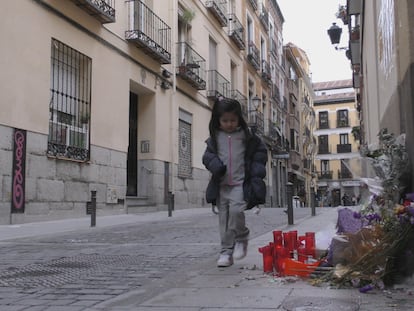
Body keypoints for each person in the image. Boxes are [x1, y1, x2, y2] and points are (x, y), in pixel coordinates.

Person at [202, 97, 267, 267]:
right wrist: (214, 164)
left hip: (240, 184)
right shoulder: (214, 138)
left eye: (232, 120)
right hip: (221, 185)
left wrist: (256, 172)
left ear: (239, 119)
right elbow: (207, 156)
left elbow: (260, 152)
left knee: (237, 212)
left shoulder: (247, 137)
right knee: (224, 220)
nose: (229, 124)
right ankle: (225, 252)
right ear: (218, 120)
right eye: (225, 120)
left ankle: (242, 236)